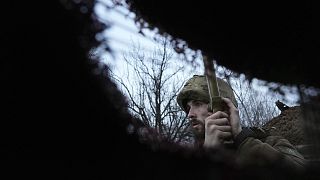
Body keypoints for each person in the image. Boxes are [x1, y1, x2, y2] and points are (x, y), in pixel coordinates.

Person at [176, 75, 306, 172]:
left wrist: (243, 140)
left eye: (197, 104)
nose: (190, 114)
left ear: (223, 107)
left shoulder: (271, 143)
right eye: (188, 108)